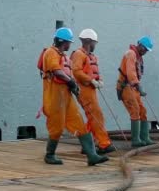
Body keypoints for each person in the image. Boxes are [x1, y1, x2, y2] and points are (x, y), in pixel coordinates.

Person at [39, 27, 109, 166]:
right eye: (68, 42)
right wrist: (71, 81)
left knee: (79, 123)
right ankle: (50, 154)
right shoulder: (51, 53)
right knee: (57, 127)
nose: (70, 45)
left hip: (66, 95)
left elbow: (68, 73)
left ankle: (92, 156)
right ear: (62, 41)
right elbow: (57, 71)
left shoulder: (63, 55)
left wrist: (73, 85)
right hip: (54, 96)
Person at [70, 29, 115, 154]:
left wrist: (99, 80)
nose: (95, 45)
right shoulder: (79, 54)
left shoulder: (90, 56)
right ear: (89, 41)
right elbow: (76, 71)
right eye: (94, 42)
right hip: (84, 90)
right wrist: (91, 80)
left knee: (92, 117)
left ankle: (87, 145)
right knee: (97, 116)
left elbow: (93, 71)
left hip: (90, 89)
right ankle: (103, 144)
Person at [116, 36, 155, 147]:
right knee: (135, 110)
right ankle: (136, 140)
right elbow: (131, 73)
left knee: (142, 111)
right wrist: (138, 85)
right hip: (126, 87)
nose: (146, 52)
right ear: (140, 45)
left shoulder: (139, 57)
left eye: (147, 50)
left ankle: (145, 137)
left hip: (133, 88)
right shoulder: (131, 54)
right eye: (145, 49)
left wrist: (137, 87)